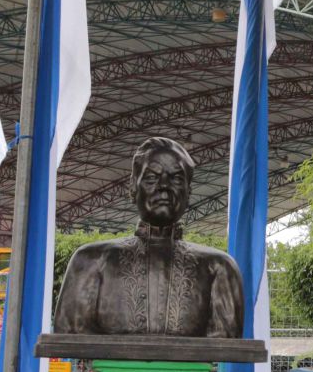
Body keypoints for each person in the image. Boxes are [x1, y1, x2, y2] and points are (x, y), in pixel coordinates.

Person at [53, 136, 244, 338]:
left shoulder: (219, 268)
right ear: (133, 188)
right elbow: (68, 330)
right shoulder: (90, 261)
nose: (163, 186)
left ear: (188, 192)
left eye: (176, 178)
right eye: (152, 178)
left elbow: (227, 337)